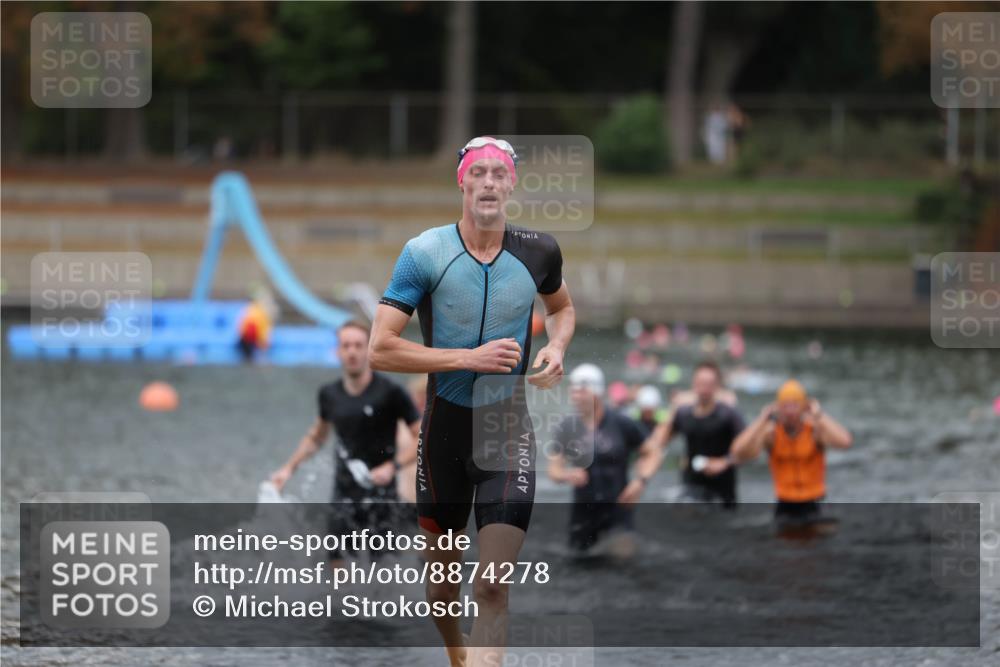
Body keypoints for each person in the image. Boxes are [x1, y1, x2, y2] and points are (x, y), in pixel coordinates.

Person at [368, 136, 576, 667]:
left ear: (512, 184)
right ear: (461, 181)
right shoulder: (424, 252)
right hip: (442, 436)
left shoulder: (539, 251)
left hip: (505, 431)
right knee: (442, 589)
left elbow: (562, 308)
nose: (488, 182)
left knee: (491, 585)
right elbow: (380, 349)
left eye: (498, 173)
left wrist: (555, 345)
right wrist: (467, 358)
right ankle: (459, 657)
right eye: (477, 172)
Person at [270, 321, 421, 563]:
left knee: (384, 571)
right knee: (337, 568)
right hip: (344, 496)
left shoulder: (390, 393)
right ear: (338, 352)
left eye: (358, 345)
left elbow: (422, 438)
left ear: (368, 350)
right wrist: (288, 469)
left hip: (381, 496)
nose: (352, 352)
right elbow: (316, 437)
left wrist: (393, 466)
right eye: (346, 346)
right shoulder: (329, 394)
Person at [548, 365, 666, 555]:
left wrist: (640, 482)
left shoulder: (622, 423)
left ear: (597, 392)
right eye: (574, 391)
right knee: (581, 565)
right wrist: (567, 475)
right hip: (583, 513)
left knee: (622, 563)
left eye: (582, 391)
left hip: (618, 509)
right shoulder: (567, 427)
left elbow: (654, 453)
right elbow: (554, 471)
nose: (577, 396)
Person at [731, 379, 853, 530]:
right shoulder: (771, 434)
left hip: (815, 504)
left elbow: (845, 442)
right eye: (785, 406)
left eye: (795, 405)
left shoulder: (815, 431)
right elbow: (738, 451)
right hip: (785, 505)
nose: (790, 412)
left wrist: (819, 415)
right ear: (778, 408)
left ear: (804, 407)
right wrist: (761, 420)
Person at [661, 361, 746, 507]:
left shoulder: (729, 415)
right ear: (693, 384)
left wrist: (725, 462)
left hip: (722, 491)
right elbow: (659, 441)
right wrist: (674, 406)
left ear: (717, 386)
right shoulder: (683, 413)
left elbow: (749, 451)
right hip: (691, 487)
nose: (704, 389)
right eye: (700, 383)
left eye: (709, 384)